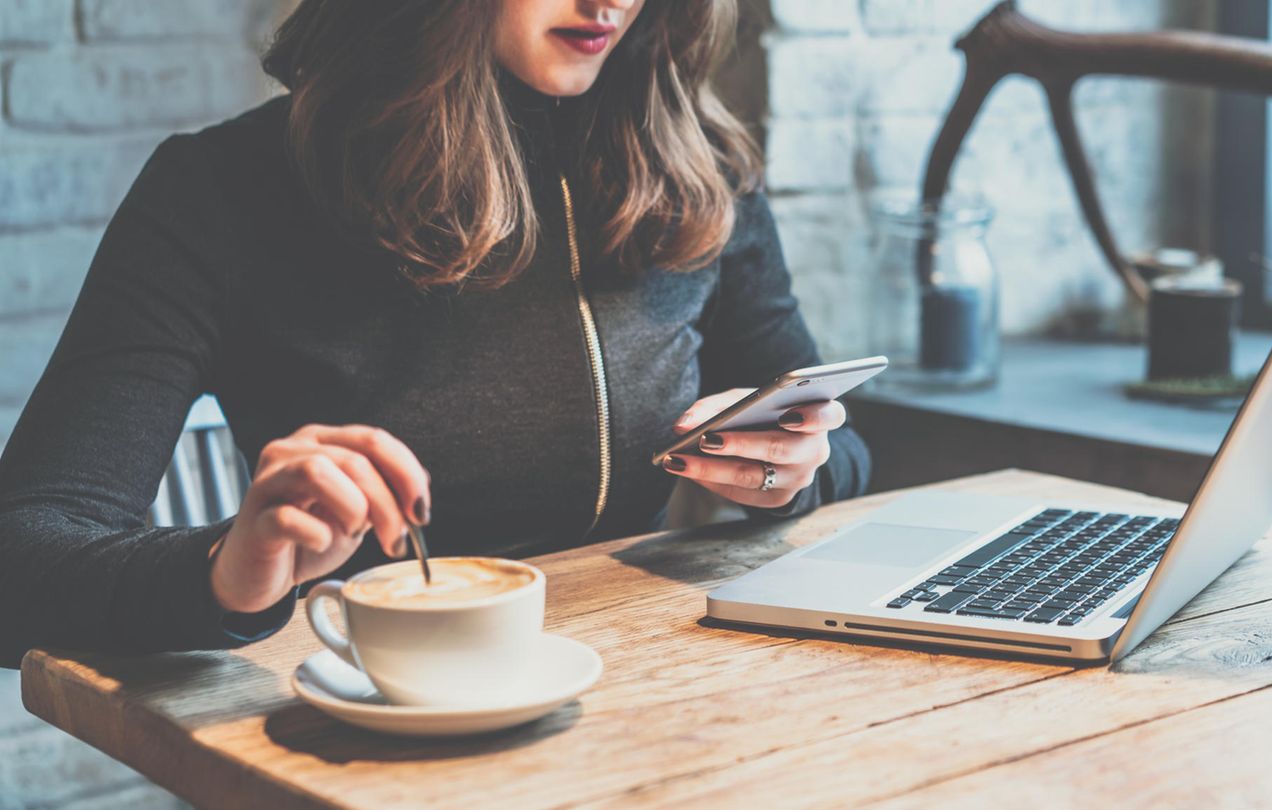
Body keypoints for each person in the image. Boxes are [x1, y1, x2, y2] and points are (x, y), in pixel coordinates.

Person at [0, 0, 870, 668]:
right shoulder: (221, 190)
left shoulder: (696, 165)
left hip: (673, 681)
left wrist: (784, 471)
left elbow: (846, 450)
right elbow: (19, 564)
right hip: (375, 706)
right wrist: (226, 571)